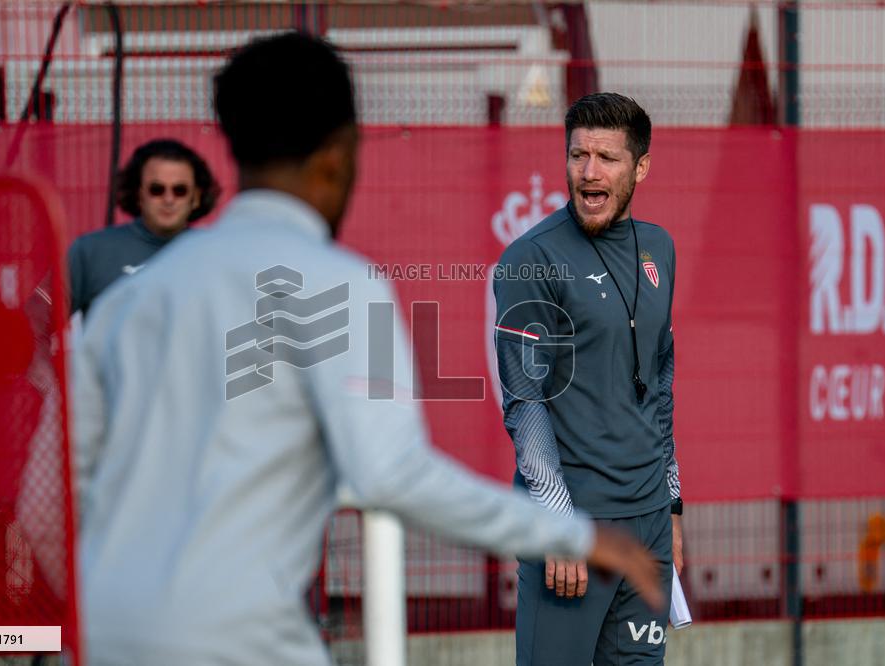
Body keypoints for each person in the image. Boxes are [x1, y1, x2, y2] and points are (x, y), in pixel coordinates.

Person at [71, 34, 663, 666]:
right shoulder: (337, 283)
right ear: (339, 155)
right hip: (238, 639)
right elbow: (393, 473)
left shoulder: (128, 302)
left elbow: (55, 494)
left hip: (105, 630)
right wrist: (570, 533)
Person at [493, 92, 682, 666]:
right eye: (578, 156)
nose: (589, 172)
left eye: (606, 158)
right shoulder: (530, 259)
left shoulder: (660, 248)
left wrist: (671, 506)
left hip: (647, 528)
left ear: (641, 167)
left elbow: (661, 378)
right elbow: (524, 403)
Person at [67, 138, 220, 316]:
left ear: (196, 197)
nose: (168, 199)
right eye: (157, 189)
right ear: (138, 194)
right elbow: (36, 322)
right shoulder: (89, 251)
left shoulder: (217, 256)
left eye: (180, 190)